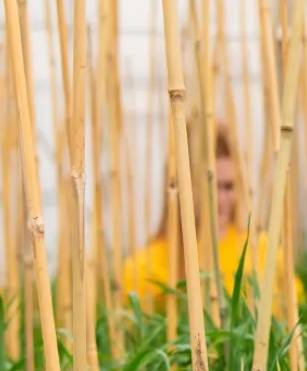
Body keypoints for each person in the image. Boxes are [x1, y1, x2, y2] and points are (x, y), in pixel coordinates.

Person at [119, 124, 282, 306]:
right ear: (179, 187)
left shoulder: (263, 251)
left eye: (228, 186)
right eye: (208, 186)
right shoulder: (144, 268)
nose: (219, 199)